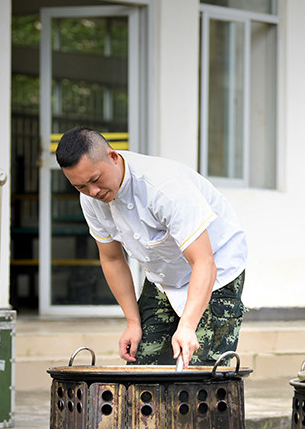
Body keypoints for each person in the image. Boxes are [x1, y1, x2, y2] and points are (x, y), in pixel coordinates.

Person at [55, 127, 247, 368]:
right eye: (80, 186)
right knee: (143, 369)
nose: (93, 192)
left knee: (201, 371)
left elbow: (204, 262)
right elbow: (112, 259)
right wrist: (132, 322)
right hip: (163, 277)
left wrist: (187, 327)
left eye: (95, 180)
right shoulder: (91, 200)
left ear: (113, 157)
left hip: (215, 269)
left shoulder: (163, 187)